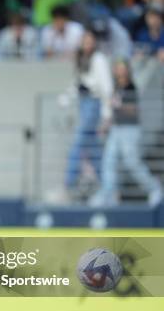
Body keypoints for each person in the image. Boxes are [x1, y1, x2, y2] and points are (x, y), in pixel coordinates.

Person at [89, 60, 162, 207]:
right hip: (116, 128)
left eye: (122, 69)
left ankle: (155, 189)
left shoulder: (131, 87)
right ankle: (108, 193)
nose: (120, 72)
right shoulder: (116, 87)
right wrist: (105, 125)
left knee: (132, 162)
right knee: (108, 161)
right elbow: (113, 111)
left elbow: (134, 110)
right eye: (118, 69)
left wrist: (119, 105)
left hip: (130, 129)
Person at [65, 30, 113, 195]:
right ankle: (108, 187)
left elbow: (106, 87)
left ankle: (68, 185)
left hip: (94, 104)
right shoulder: (81, 59)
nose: (87, 43)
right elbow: (77, 83)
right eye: (84, 40)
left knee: (77, 145)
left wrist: (107, 115)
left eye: (89, 40)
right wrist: (66, 98)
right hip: (84, 104)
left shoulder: (99, 59)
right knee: (94, 151)